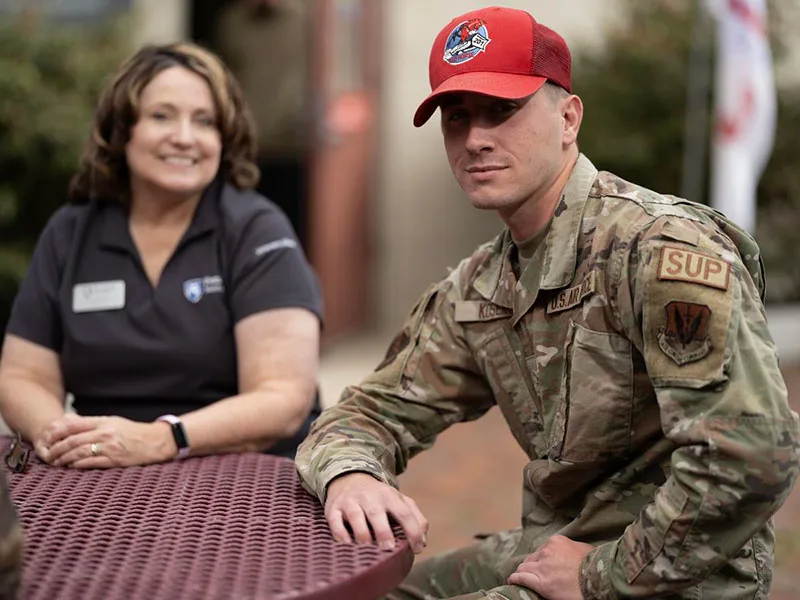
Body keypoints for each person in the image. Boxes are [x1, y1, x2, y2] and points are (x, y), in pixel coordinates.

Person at [295, 7, 800, 600]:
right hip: (554, 547)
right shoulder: (483, 285)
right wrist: (351, 473)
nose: (476, 139)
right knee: (368, 589)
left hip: (676, 573)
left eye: (502, 110)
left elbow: (749, 456)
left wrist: (599, 575)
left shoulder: (657, 250)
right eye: (457, 118)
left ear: (568, 117)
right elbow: (371, 412)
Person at [0, 42, 323, 467]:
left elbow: (283, 398)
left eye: (204, 121)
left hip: (243, 466)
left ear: (223, 140)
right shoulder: (71, 231)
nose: (185, 137)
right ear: (121, 131)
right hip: (102, 468)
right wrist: (60, 437)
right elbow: (22, 375)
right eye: (161, 116)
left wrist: (162, 439)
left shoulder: (255, 229)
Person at [213, 0, 311, 249]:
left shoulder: (306, 21)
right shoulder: (232, 23)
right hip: (247, 148)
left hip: (293, 149)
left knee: (291, 231)